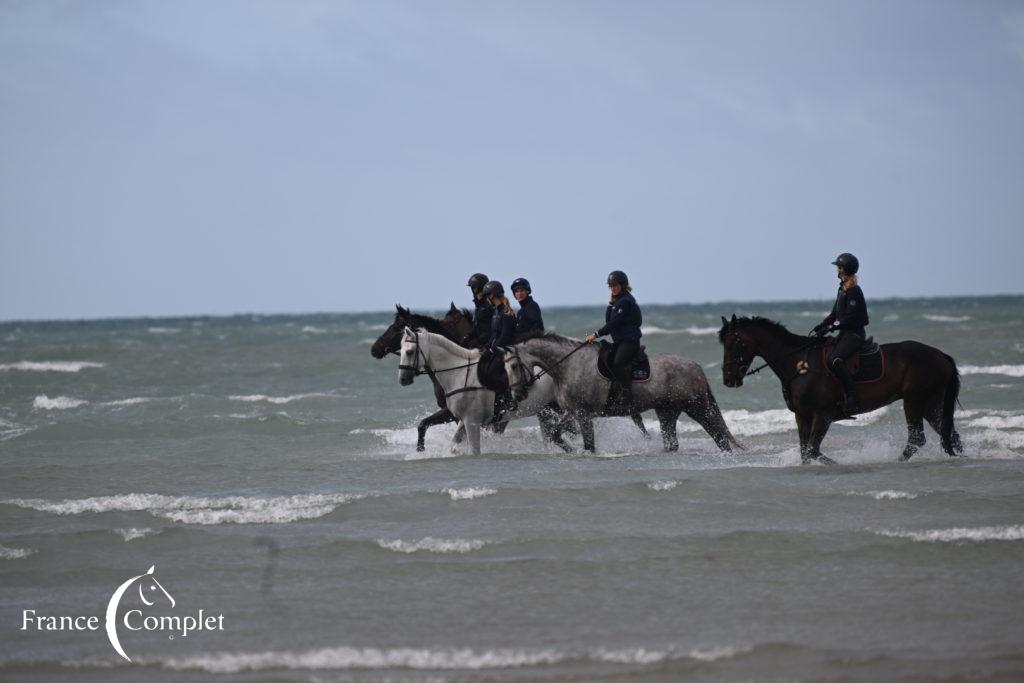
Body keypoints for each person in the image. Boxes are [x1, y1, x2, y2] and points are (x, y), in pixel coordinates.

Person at [812, 252, 869, 416]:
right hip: (844, 334)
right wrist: (822, 325)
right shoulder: (842, 289)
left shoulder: (854, 291)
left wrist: (831, 327)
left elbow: (850, 318)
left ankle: (852, 396)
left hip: (855, 334)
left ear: (843, 269)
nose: (836, 270)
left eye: (838, 267)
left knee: (835, 359)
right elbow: (835, 314)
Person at [585, 270, 642, 414]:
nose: (612, 288)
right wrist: (610, 304)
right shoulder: (618, 301)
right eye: (610, 286)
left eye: (615, 285)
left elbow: (614, 323)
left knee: (617, 364)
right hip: (621, 341)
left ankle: (627, 393)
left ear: (623, 285)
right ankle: (613, 392)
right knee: (606, 359)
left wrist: (596, 334)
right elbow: (609, 321)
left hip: (630, 341)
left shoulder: (625, 301)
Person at [481, 280, 517, 417]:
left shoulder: (506, 313)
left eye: (487, 295)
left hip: (507, 349)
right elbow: (494, 335)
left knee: (494, 370)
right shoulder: (495, 312)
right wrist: (485, 348)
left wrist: (493, 349)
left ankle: (507, 400)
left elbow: (505, 336)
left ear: (493, 295)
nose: (487, 299)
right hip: (498, 348)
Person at [466, 273, 492, 348]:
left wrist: (480, 340)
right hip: (480, 342)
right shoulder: (478, 305)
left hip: (487, 344)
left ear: (477, 288)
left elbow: (491, 327)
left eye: (473, 287)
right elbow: (477, 325)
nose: (472, 290)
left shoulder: (488, 304)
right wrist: (468, 336)